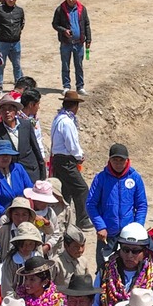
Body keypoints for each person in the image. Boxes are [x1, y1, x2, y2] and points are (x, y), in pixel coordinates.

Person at [88, 143, 149, 260]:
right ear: (109, 160)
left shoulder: (135, 177)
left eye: (121, 160)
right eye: (114, 160)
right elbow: (91, 204)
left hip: (128, 236)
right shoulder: (101, 178)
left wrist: (137, 226)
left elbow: (141, 205)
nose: (118, 163)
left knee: (129, 267)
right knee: (104, 269)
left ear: (127, 160)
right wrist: (100, 226)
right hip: (107, 235)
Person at [49, 89, 89, 226]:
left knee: (65, 190)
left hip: (59, 159)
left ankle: (63, 220)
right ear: (75, 106)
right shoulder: (67, 122)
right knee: (81, 188)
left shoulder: (58, 119)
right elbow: (71, 143)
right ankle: (82, 219)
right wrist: (79, 156)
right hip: (66, 160)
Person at [53, 0, 91, 92]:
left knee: (79, 65)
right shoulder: (60, 9)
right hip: (66, 43)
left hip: (79, 43)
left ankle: (80, 86)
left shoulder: (82, 9)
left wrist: (88, 39)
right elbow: (55, 24)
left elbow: (86, 24)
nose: (70, 0)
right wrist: (64, 30)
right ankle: (66, 86)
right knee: (65, 65)